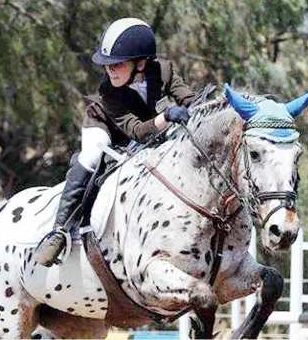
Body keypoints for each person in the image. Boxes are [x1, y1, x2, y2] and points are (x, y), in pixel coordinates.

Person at [34, 17, 196, 267]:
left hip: (147, 128)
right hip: (105, 128)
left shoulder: (164, 70)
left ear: (141, 63)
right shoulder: (107, 92)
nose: (110, 70)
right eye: (107, 65)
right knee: (91, 156)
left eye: (117, 64)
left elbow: (189, 100)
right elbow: (138, 131)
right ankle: (59, 230)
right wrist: (167, 116)